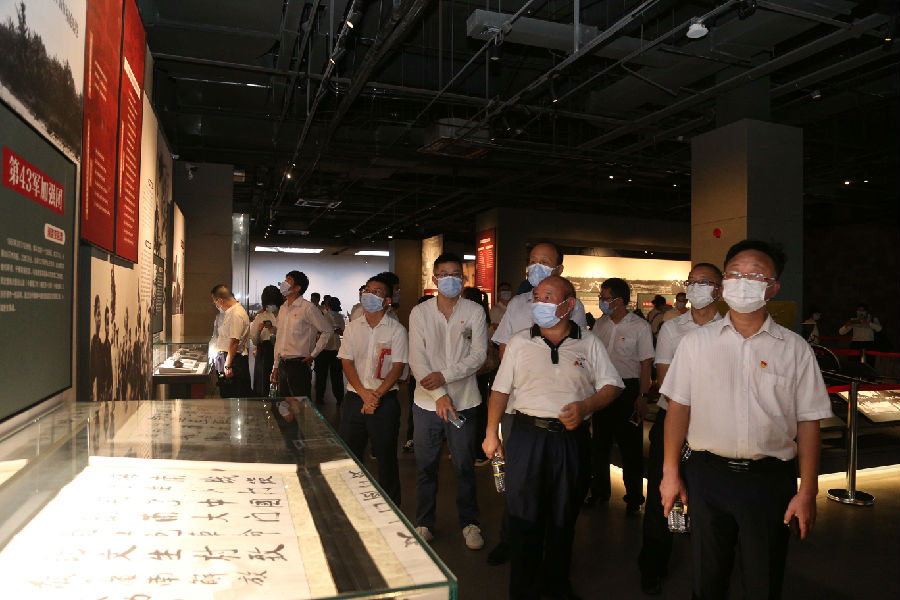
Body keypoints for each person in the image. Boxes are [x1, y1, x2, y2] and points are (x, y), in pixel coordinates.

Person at [660, 240, 831, 600]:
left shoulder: (794, 348)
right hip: (707, 476)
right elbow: (678, 409)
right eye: (735, 274)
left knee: (763, 581)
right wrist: (670, 472)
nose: (743, 282)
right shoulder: (696, 344)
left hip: (768, 480)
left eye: (755, 275)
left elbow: (809, 422)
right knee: (707, 578)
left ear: (773, 287)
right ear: (724, 283)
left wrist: (808, 490)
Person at [483, 275, 623, 600]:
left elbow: (612, 385)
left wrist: (586, 406)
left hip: (571, 440)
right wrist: (491, 433)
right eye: (536, 297)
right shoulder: (520, 342)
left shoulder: (589, 342)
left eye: (547, 297)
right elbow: (500, 391)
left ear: (568, 304)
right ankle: (523, 589)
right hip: (527, 437)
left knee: (564, 516)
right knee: (523, 517)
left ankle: (557, 584)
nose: (539, 303)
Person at [488, 240, 588, 564]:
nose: (536, 266)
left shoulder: (574, 307)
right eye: (532, 260)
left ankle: (550, 551)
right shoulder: (518, 304)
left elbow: (576, 352)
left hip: (554, 409)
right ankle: (511, 540)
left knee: (555, 486)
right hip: (517, 406)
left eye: (544, 261)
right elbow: (504, 348)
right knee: (517, 480)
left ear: (559, 268)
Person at [637, 263, 723, 595]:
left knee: (708, 498)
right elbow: (667, 379)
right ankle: (652, 566)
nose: (697, 287)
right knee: (662, 493)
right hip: (673, 419)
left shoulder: (729, 329)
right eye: (692, 281)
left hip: (713, 423)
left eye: (705, 282)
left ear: (718, 289)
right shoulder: (673, 328)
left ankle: (709, 573)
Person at [408, 253, 488, 550]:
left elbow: (478, 356)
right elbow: (417, 357)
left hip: (464, 401)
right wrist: (439, 394)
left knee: (464, 465)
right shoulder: (420, 312)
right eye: (444, 274)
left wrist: (444, 376)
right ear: (435, 278)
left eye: (456, 274)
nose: (450, 279)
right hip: (427, 404)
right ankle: (424, 522)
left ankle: (470, 523)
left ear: (464, 280)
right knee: (425, 466)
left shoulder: (474, 311)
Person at [338, 274, 408, 503]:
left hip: (384, 400)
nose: (369, 295)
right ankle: (351, 502)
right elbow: (347, 362)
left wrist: (375, 396)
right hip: (354, 399)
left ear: (387, 300)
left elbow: (398, 367)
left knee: (386, 457)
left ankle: (391, 506)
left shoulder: (396, 330)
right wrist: (363, 393)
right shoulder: (352, 328)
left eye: (376, 292)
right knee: (350, 456)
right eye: (367, 290)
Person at [588, 277, 653, 513]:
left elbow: (646, 364)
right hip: (603, 388)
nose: (602, 302)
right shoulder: (600, 324)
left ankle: (634, 497)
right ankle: (599, 492)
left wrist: (643, 395)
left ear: (619, 300)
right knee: (600, 443)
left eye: (605, 298)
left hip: (629, 390)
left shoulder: (640, 327)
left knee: (630, 447)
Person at [270, 270, 334, 398]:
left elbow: (327, 330)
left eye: (289, 280)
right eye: (285, 279)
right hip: (282, 363)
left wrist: (313, 354)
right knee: (284, 404)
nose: (284, 283)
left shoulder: (308, 308)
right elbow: (280, 339)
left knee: (299, 404)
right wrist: (275, 366)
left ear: (297, 288)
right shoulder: (283, 308)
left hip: (299, 365)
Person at [211, 284, 252, 398]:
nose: (216, 305)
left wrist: (228, 365)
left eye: (215, 302)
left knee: (232, 395)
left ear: (220, 300)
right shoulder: (230, 312)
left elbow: (234, 342)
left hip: (233, 361)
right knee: (226, 393)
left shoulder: (236, 313)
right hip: (227, 358)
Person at [249, 285, 283, 396]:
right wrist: (259, 330)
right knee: (263, 384)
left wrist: (273, 329)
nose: (271, 306)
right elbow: (254, 341)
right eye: (269, 304)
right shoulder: (260, 317)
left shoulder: (284, 315)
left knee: (281, 385)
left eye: (273, 303)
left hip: (281, 351)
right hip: (264, 353)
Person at [314, 296, 346, 404]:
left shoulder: (339, 317)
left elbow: (343, 332)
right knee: (321, 376)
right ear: (327, 306)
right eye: (333, 309)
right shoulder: (322, 316)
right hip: (323, 349)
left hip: (336, 350)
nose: (335, 312)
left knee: (337, 376)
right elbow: (317, 332)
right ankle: (319, 398)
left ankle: (340, 398)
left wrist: (338, 330)